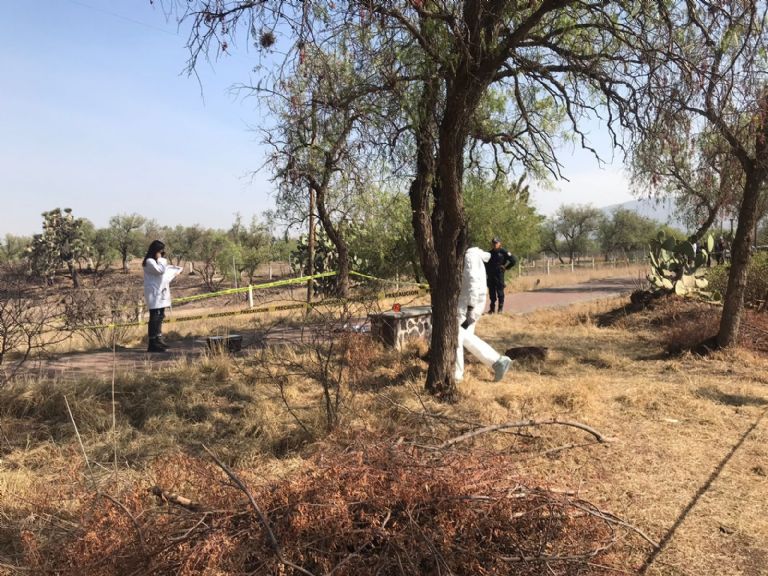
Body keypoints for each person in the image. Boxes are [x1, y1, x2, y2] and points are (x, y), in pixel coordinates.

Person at [456, 246, 513, 382]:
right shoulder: (474, 256)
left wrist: (470, 308)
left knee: (457, 335)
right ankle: (498, 362)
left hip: (468, 307)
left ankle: (456, 376)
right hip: (472, 305)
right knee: (465, 336)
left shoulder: (469, 257)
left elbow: (473, 284)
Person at [142, 240, 182, 352]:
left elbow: (163, 272)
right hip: (154, 293)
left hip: (161, 292)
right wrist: (160, 259)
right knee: (154, 317)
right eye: (160, 251)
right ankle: (152, 342)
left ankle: (159, 339)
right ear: (155, 251)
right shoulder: (149, 261)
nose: (161, 253)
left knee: (160, 315)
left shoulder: (157, 261)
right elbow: (160, 270)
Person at [485, 237, 518, 314]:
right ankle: (492, 309)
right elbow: (485, 264)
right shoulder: (489, 253)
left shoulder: (504, 252)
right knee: (492, 292)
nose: (494, 244)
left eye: (496, 243)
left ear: (500, 243)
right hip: (491, 275)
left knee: (500, 292)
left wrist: (506, 267)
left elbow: (513, 260)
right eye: (493, 243)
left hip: (499, 275)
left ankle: (500, 308)